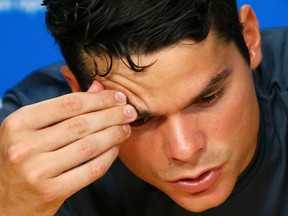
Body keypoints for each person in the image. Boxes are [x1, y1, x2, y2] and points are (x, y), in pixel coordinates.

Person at [0, 0, 287, 215]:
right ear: (79, 90)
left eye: (208, 98)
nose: (184, 149)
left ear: (249, 38)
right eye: (137, 118)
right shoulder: (28, 157)